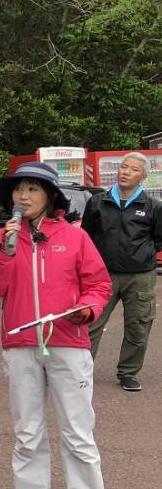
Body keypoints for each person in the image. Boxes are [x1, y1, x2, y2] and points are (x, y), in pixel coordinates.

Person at [0, 161, 113, 489]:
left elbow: (99, 285)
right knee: (27, 432)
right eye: (19, 189)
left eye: (33, 189)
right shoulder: (2, 237)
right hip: (20, 346)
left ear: (51, 196)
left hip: (68, 343)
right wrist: (5, 250)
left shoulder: (74, 237)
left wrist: (87, 308)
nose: (23, 196)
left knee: (78, 433)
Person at [81, 151, 162, 392]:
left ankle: (128, 372)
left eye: (134, 169)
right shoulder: (97, 202)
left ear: (143, 176)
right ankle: (79, 370)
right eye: (124, 167)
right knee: (89, 324)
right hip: (101, 276)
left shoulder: (153, 207)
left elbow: (158, 240)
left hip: (140, 276)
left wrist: (141, 255)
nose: (126, 172)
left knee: (138, 326)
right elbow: (86, 237)